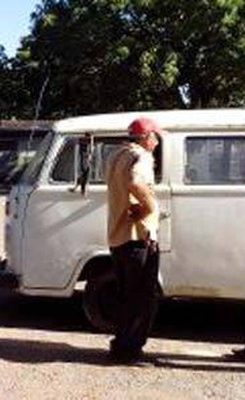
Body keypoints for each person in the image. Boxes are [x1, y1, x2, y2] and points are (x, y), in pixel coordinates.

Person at [105, 117, 163, 362]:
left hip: (119, 236)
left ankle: (120, 345)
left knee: (125, 296)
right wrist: (149, 207)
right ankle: (131, 350)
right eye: (156, 137)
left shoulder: (115, 155)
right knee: (142, 298)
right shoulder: (141, 156)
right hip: (138, 238)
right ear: (146, 137)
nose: (157, 143)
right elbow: (135, 182)